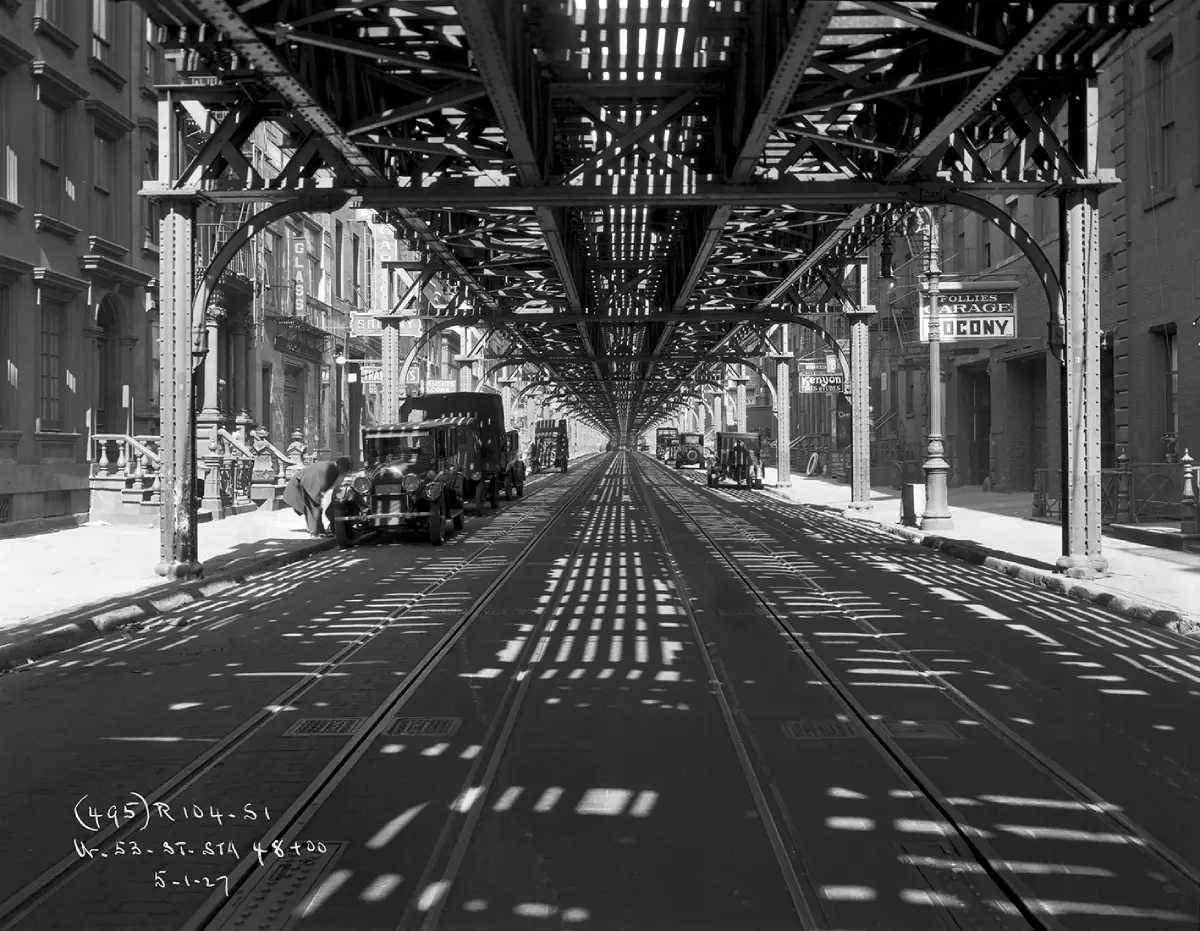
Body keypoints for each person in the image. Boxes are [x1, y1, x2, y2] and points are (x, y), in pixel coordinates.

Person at [284, 457, 350, 537]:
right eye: (345, 470)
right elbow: (320, 486)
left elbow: (332, 487)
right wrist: (320, 499)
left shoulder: (333, 468)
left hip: (305, 481)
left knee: (312, 508)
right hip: (307, 482)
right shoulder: (330, 469)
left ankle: (317, 530)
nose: (345, 473)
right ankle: (316, 532)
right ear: (341, 466)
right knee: (315, 507)